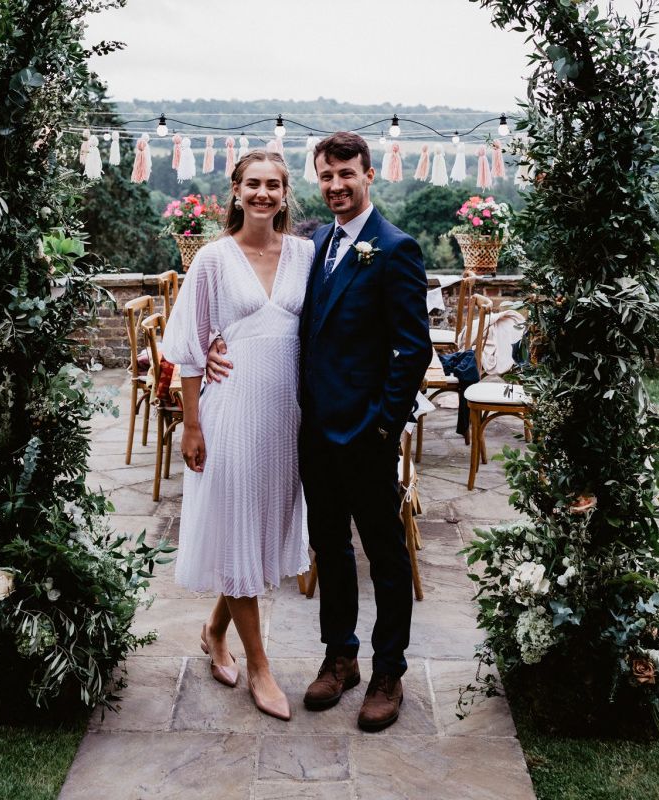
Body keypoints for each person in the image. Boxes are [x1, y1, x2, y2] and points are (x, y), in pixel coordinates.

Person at [208, 132, 433, 732]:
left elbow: (413, 349)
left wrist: (383, 425)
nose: (336, 185)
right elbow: (275, 317)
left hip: (366, 436)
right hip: (312, 431)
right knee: (329, 549)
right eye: (327, 175)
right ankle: (341, 658)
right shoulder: (315, 246)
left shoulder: (396, 248)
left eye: (346, 174)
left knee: (384, 554)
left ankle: (388, 672)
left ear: (368, 176)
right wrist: (214, 344)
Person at [162, 150, 314, 721]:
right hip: (230, 414)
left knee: (258, 533)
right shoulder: (212, 259)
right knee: (238, 529)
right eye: (253, 184)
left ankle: (214, 630)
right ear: (235, 190)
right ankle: (260, 666)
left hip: (287, 418)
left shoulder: (305, 254)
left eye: (273, 184)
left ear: (285, 192)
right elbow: (189, 348)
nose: (263, 194)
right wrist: (192, 425)